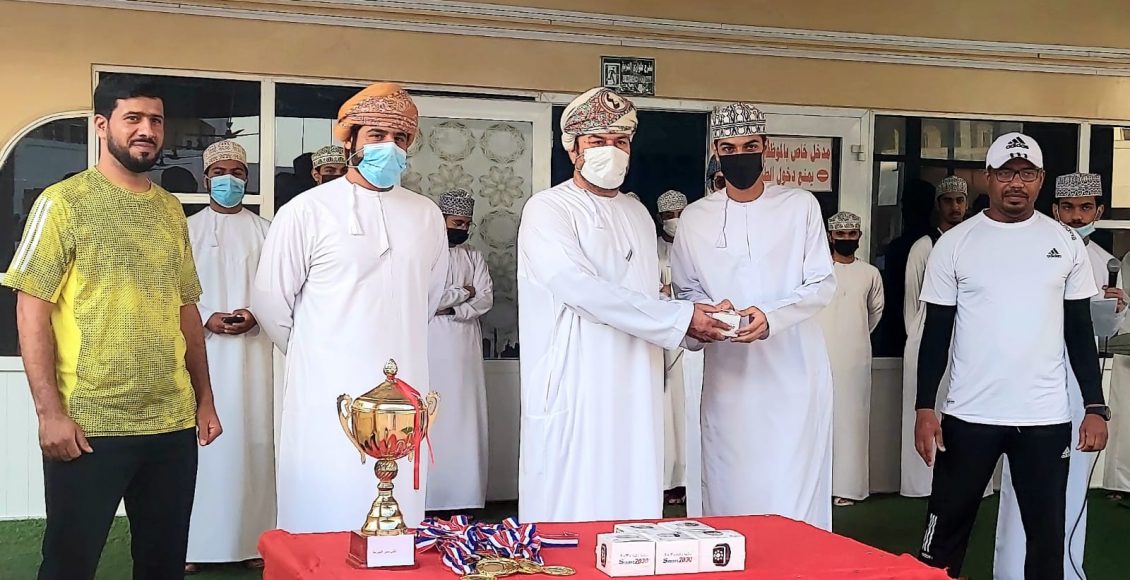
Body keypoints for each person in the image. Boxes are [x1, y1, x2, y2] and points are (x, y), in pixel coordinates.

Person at [3, 75, 221, 580]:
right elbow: (31, 310)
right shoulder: (64, 203)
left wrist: (205, 399)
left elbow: (186, 309)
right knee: (69, 565)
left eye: (155, 120)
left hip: (170, 425)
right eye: (133, 118)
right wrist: (49, 414)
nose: (147, 130)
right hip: (89, 425)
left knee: (163, 565)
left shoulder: (170, 210)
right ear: (102, 126)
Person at [516, 87, 730, 523]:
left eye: (620, 141)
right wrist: (680, 318)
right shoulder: (549, 209)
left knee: (633, 496)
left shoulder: (637, 213)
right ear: (573, 149)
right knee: (574, 505)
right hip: (576, 379)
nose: (610, 150)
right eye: (597, 141)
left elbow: (648, 294)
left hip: (637, 378)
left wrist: (697, 316)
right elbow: (579, 288)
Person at [252, 82, 447, 533]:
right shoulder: (306, 211)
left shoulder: (426, 215)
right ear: (349, 141)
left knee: (397, 517)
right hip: (326, 388)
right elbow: (270, 302)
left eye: (399, 138)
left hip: (404, 383)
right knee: (325, 498)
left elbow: (429, 296)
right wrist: (318, 353)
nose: (389, 147)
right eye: (376, 135)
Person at [915, 133, 1110, 580]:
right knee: (942, 541)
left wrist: (1095, 406)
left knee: (1046, 542)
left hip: (1044, 418)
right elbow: (936, 333)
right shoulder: (955, 244)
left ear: (1041, 179)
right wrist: (925, 407)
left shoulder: (1065, 242)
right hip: (969, 415)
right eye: (1005, 173)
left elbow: (1079, 331)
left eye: (1026, 173)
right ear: (988, 177)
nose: (1016, 183)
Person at [670, 102, 837, 530]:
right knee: (728, 486)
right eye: (729, 148)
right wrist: (710, 317)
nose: (739, 155)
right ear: (716, 150)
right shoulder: (695, 217)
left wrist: (771, 316)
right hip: (728, 378)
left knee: (792, 488)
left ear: (765, 147)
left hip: (793, 372)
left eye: (749, 146)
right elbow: (686, 292)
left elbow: (821, 282)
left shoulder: (799, 206)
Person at [994, 172, 1126, 580]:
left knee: (1073, 482)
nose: (1076, 216)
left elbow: (1106, 333)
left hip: (1079, 385)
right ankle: (1011, 571)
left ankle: (1068, 570)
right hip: (1031, 379)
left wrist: (1117, 309)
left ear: (1098, 211)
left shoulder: (1106, 262)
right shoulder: (1032, 248)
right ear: (1054, 209)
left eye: (1085, 208)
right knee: (1025, 481)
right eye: (1068, 208)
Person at [184, 140, 274, 574]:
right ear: (206, 179)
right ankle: (192, 546)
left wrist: (255, 313)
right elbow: (172, 290)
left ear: (247, 179)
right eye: (220, 173)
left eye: (237, 173)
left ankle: (253, 540)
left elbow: (279, 287)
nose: (229, 180)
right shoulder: (186, 230)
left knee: (254, 444)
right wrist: (207, 317)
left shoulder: (267, 231)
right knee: (200, 451)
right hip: (201, 355)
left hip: (255, 357)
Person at [426, 188, 493, 512]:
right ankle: (431, 498)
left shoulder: (473, 256)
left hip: (465, 344)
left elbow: (485, 298)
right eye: (457, 222)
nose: (463, 229)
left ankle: (466, 498)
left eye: (467, 223)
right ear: (441, 221)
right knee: (434, 415)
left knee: (465, 415)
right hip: (430, 341)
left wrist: (454, 306)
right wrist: (463, 292)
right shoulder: (424, 255)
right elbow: (427, 298)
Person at [902, 176, 968, 498]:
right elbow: (912, 303)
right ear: (938, 205)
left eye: (960, 200)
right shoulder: (923, 246)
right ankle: (920, 484)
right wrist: (919, 338)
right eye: (948, 201)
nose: (955, 207)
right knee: (926, 407)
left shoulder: (973, 242)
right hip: (927, 336)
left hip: (966, 341)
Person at [816, 211, 884, 507]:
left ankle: (849, 488)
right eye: (840, 234)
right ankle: (819, 488)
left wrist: (854, 335)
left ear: (859, 237)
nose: (846, 239)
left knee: (852, 422)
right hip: (820, 357)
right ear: (830, 237)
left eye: (851, 234)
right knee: (820, 421)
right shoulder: (817, 272)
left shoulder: (870, 273)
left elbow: (875, 313)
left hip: (856, 359)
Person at [656, 189, 690, 506]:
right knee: (666, 412)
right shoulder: (650, 250)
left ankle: (689, 479)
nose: (675, 221)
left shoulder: (696, 248)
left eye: (680, 214)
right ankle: (668, 481)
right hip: (662, 344)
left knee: (687, 410)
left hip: (691, 344)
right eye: (669, 216)